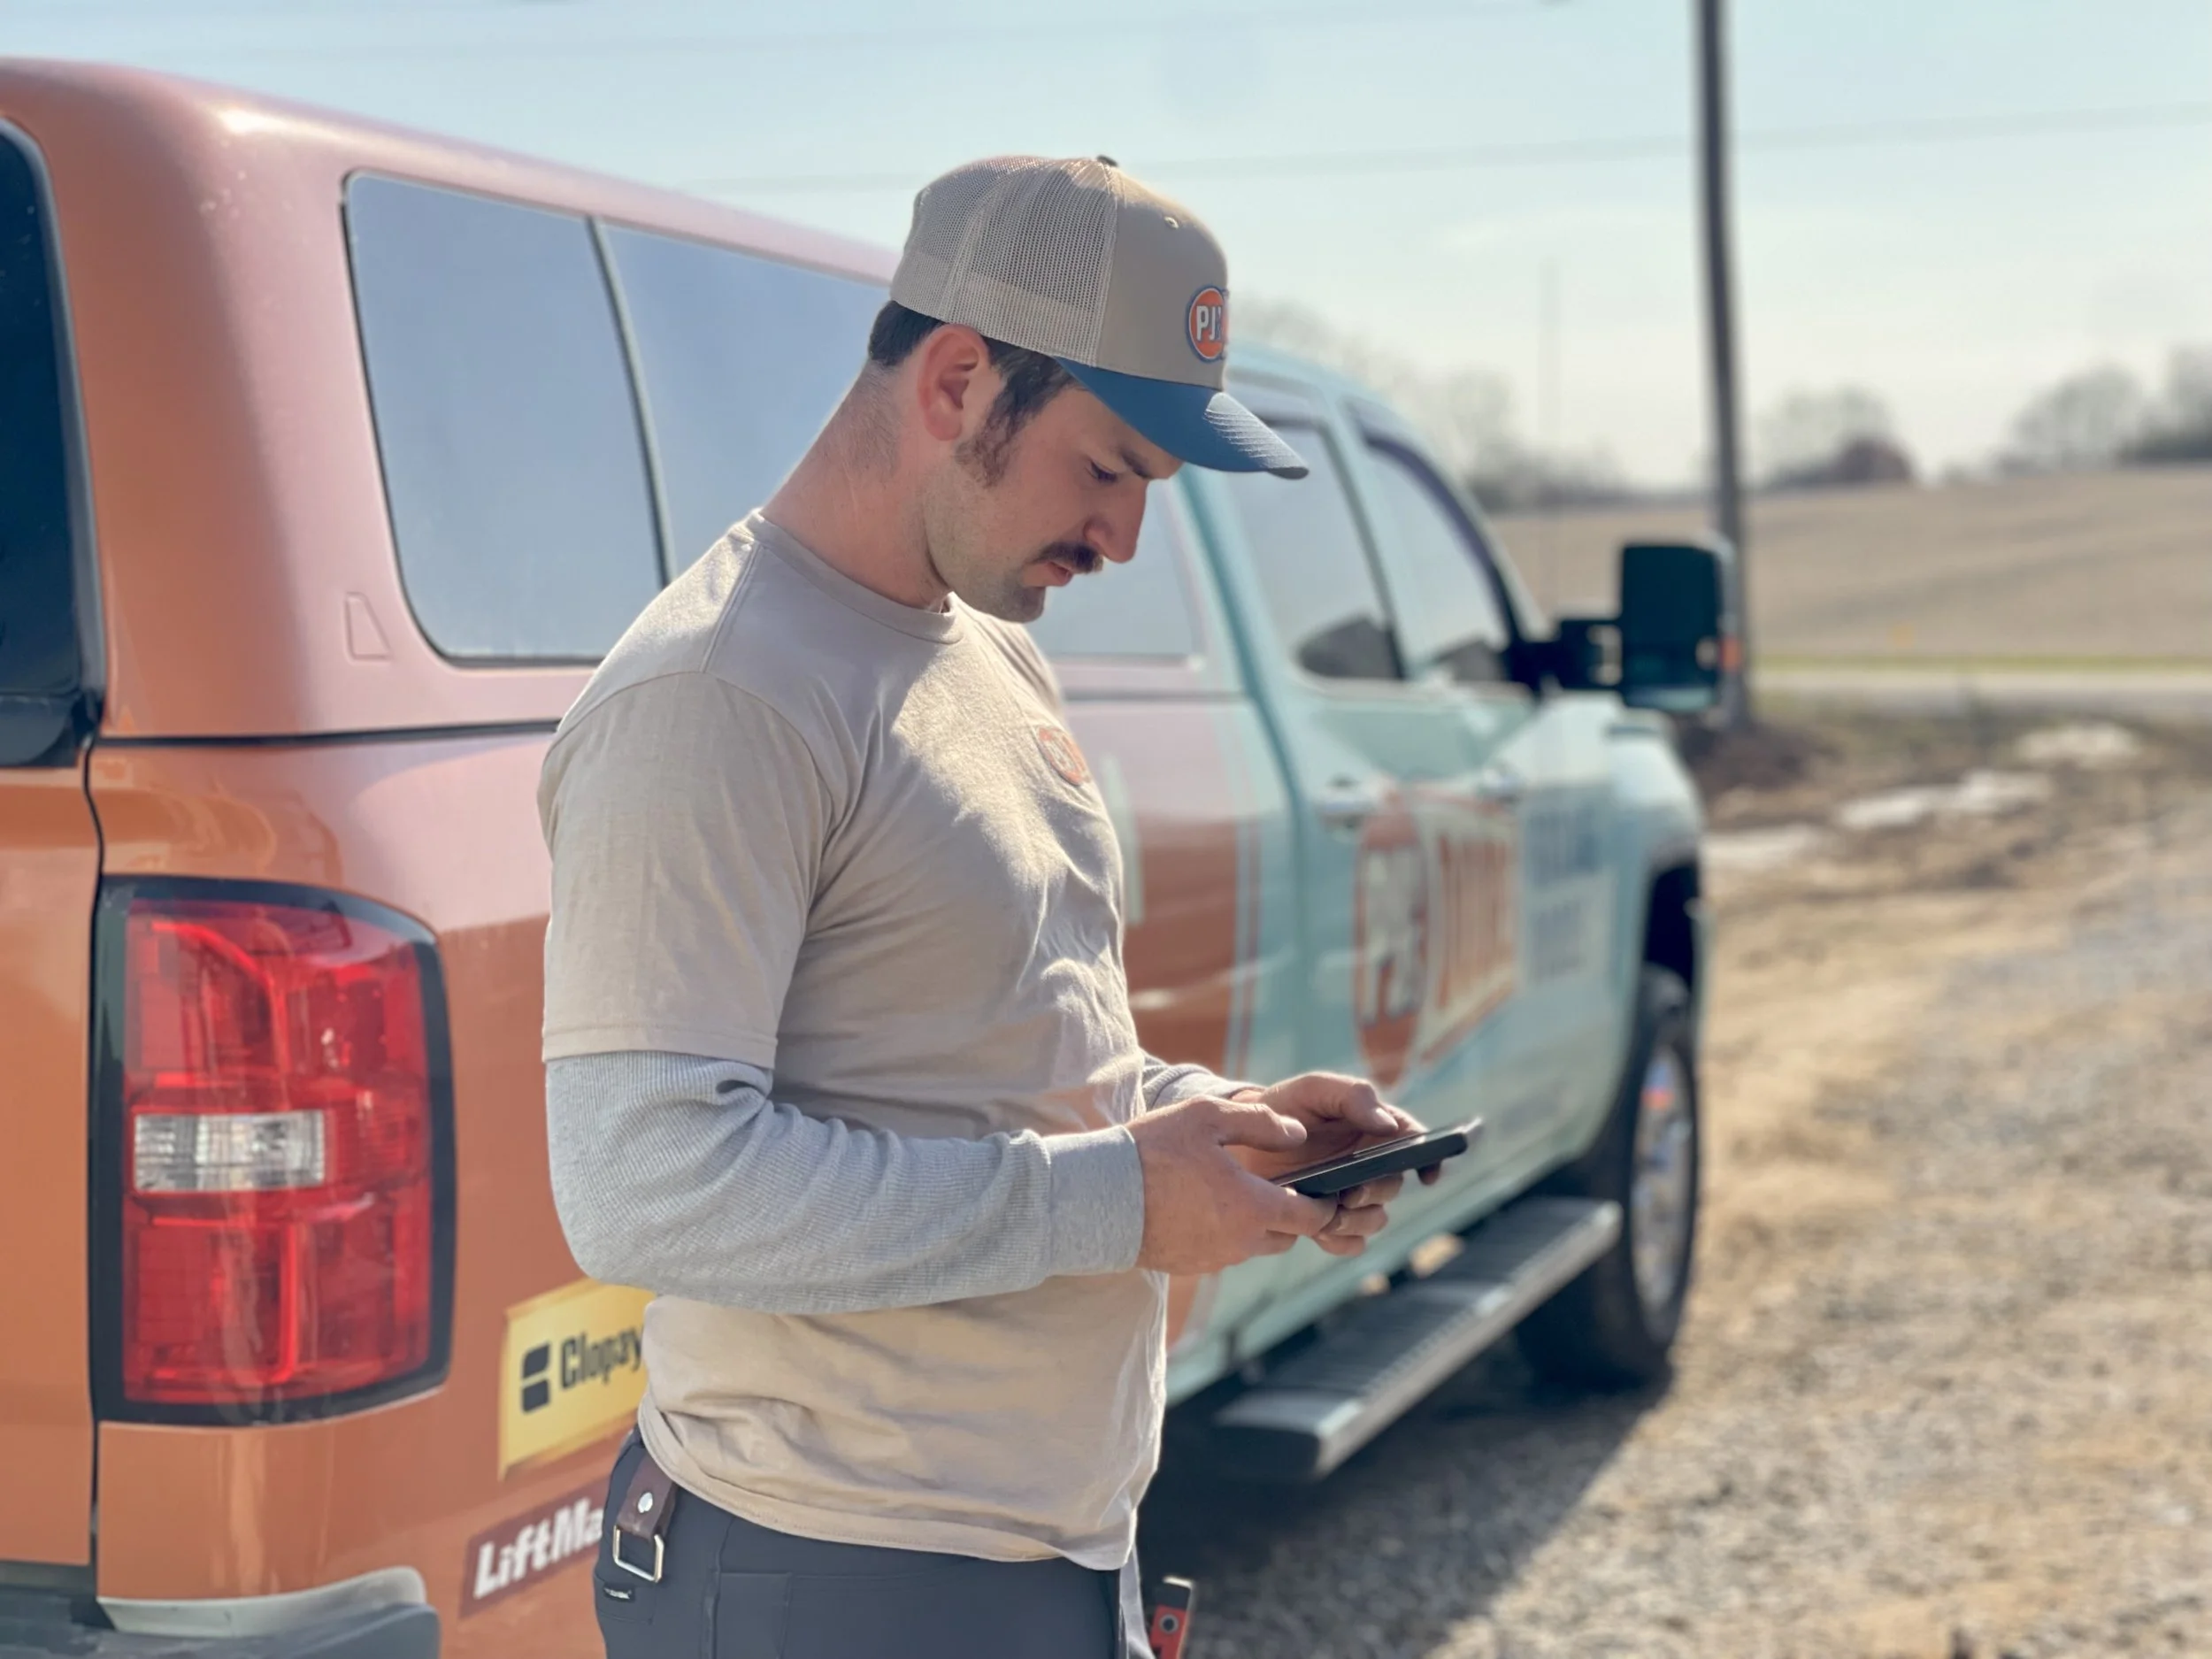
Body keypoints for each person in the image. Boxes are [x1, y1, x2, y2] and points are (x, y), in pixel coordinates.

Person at [541, 153, 1428, 1659]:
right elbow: (644, 1184)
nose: (1127, 539)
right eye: (1107, 471)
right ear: (958, 378)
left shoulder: (979, 645)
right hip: (826, 1574)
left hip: (1034, 1553)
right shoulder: (717, 694)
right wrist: (1119, 1197)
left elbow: (1004, 1057)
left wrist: (1220, 1130)